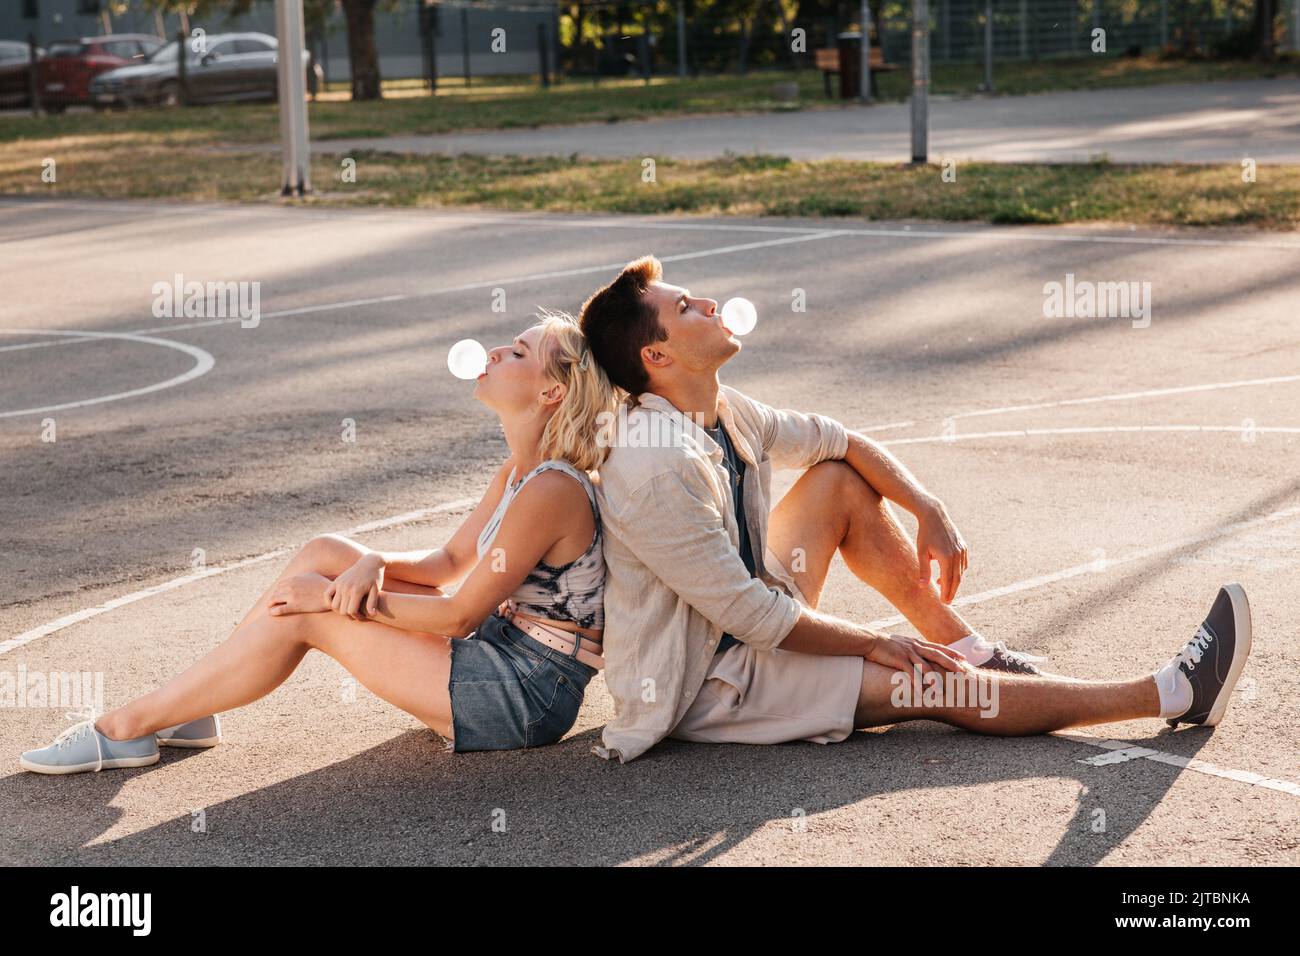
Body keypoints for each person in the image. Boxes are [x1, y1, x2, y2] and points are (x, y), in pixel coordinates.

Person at [576, 254, 1253, 764]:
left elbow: (838, 440)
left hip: (747, 617)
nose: (710, 303)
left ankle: (970, 648)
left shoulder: (718, 406)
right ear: (657, 354)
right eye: (688, 306)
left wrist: (927, 507)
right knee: (934, 688)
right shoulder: (653, 464)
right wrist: (878, 643)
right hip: (713, 679)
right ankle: (1167, 692)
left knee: (837, 478)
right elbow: (754, 620)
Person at [20, 310, 619, 774]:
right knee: (326, 551)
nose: (493, 352)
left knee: (308, 610)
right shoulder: (516, 474)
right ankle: (195, 706)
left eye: (517, 352)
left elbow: (459, 614)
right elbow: (448, 565)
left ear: (552, 394)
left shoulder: (552, 488)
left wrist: (334, 600)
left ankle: (128, 727)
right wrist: (367, 564)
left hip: (525, 693)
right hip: (500, 652)